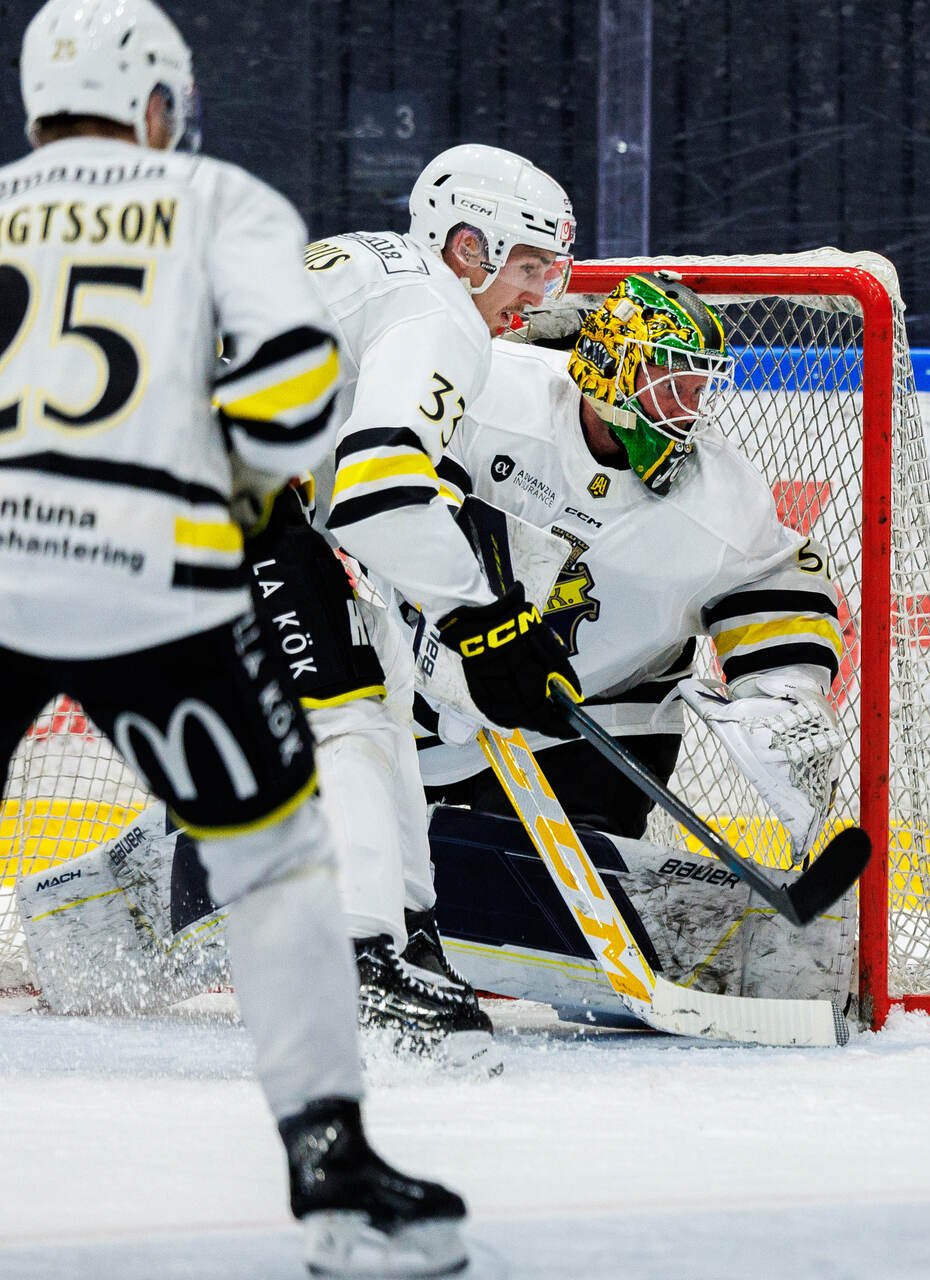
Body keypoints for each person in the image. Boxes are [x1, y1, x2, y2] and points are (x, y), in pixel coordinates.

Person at [0, 1, 467, 1272]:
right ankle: (332, 1163)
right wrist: (254, 486)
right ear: (157, 99)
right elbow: (286, 387)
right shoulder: (218, 201)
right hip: (148, 573)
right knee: (272, 861)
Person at [259, 144, 582, 1062]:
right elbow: (378, 488)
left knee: (381, 685)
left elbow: (345, 490)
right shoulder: (442, 314)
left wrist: (465, 622)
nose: (538, 294)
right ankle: (361, 960)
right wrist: (487, 624)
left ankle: (408, 933)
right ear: (467, 245)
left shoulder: (387, 275)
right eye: (527, 266)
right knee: (350, 708)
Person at [414, 274, 845, 854]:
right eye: (674, 387)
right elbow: (400, 492)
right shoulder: (493, 392)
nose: (689, 412)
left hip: (597, 721)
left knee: (544, 881)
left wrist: (784, 688)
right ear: (610, 370)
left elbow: (772, 579)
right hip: (425, 694)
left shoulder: (717, 495)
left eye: (698, 390)